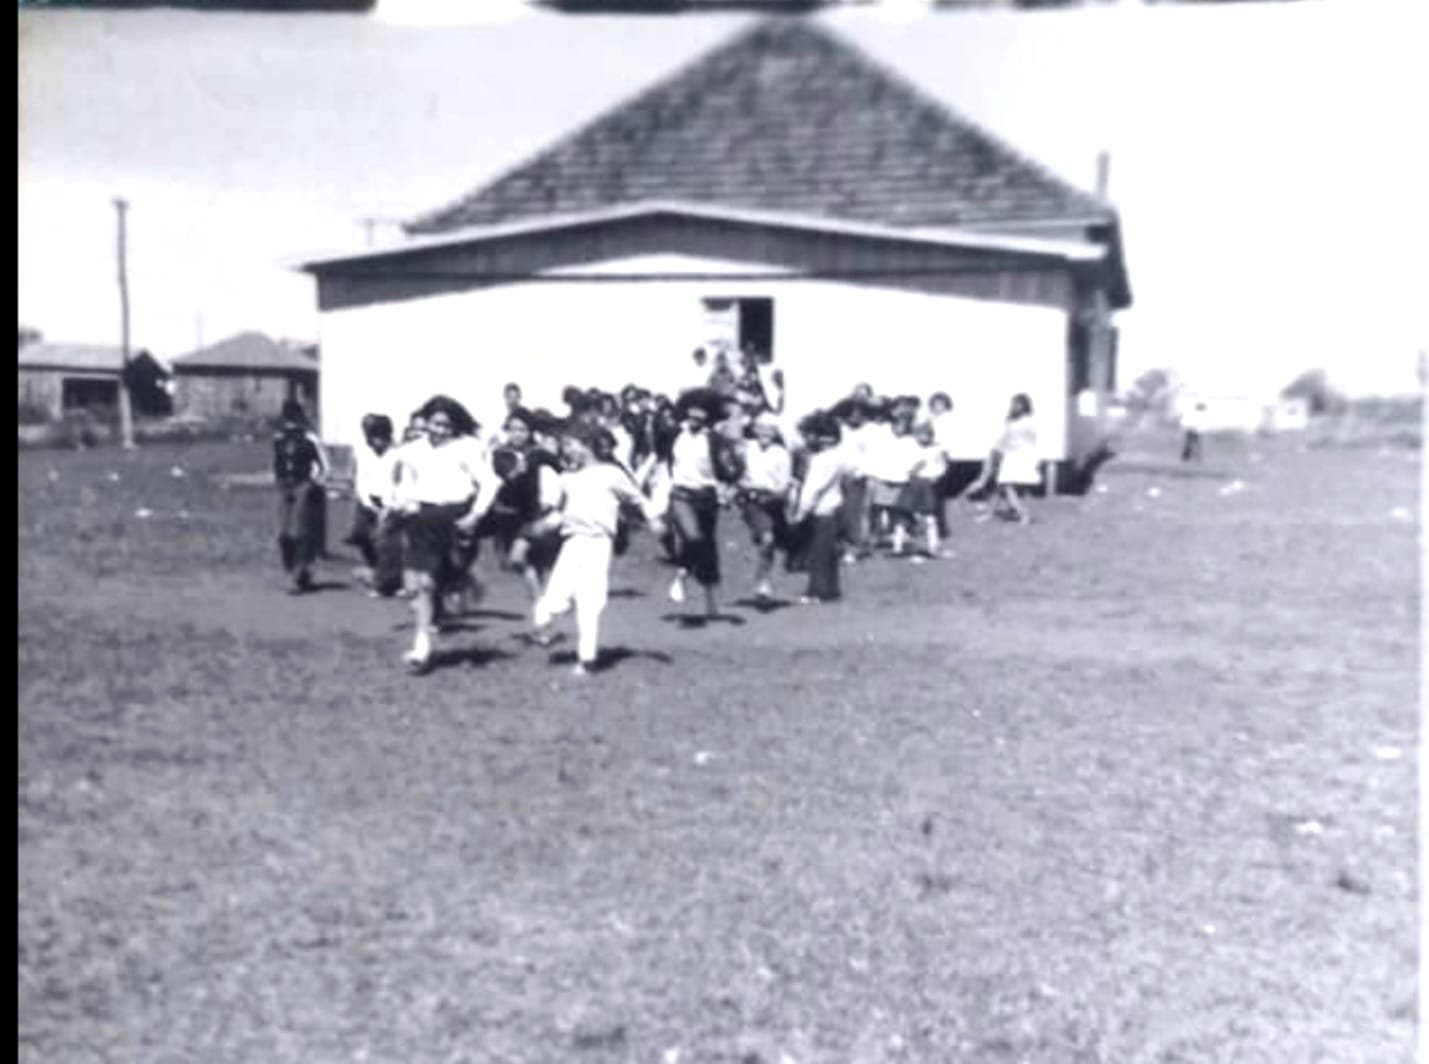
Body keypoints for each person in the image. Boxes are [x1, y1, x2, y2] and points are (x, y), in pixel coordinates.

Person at [531, 423, 661, 676]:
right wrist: (543, 526)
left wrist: (653, 519)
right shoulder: (566, 478)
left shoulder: (611, 474)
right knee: (554, 598)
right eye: (565, 446)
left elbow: (637, 498)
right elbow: (560, 513)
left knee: (590, 600)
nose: (566, 451)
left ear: (587, 445)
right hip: (571, 542)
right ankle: (547, 616)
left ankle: (586, 658)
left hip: (599, 543)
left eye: (570, 445)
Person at [393, 397, 499, 673]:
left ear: (455, 427)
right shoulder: (411, 451)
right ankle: (422, 645)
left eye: (446, 425)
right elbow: (405, 486)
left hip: (454, 517)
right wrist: (402, 504)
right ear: (425, 422)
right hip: (422, 519)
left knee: (432, 582)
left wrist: (475, 515)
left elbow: (490, 483)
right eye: (435, 423)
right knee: (418, 585)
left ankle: (424, 644)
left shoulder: (467, 449)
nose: (439, 430)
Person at [663, 387, 742, 617]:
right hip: (681, 494)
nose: (695, 421)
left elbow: (730, 468)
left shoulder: (715, 440)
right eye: (691, 416)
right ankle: (681, 575)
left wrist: (729, 485)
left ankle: (711, 602)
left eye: (701, 417)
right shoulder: (673, 435)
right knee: (693, 537)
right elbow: (663, 456)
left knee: (707, 548)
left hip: (706, 497)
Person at [789, 411, 849, 604]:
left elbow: (812, 489)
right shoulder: (839, 457)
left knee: (818, 553)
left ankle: (817, 591)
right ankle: (831, 588)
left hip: (820, 510)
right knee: (829, 552)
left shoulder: (822, 460)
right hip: (834, 507)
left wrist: (800, 512)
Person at [272, 399, 329, 593]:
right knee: (282, 532)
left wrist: (314, 483)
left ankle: (300, 570)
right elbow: (277, 462)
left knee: (299, 530)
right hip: (283, 485)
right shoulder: (279, 438)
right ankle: (292, 566)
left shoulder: (309, 439)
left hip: (302, 484)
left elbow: (324, 466)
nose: (290, 423)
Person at [736, 412, 793, 601]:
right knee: (767, 539)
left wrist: (779, 497)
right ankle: (762, 581)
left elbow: (783, 484)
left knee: (774, 543)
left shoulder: (781, 454)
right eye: (760, 428)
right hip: (751, 499)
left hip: (773, 500)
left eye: (769, 429)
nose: (764, 433)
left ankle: (766, 575)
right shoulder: (746, 448)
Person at [345, 413, 403, 597]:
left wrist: (390, 506)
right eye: (372, 438)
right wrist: (368, 502)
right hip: (368, 500)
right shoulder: (362, 452)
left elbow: (399, 482)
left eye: (379, 438)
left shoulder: (398, 454)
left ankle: (388, 582)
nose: (375, 442)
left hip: (390, 502)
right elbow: (361, 479)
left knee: (386, 542)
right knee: (362, 537)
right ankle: (376, 570)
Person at [961, 393, 1040, 524]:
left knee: (1007, 485)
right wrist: (997, 450)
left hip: (1022, 455)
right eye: (1014, 404)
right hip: (1010, 455)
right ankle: (990, 513)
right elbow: (1005, 438)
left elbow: (1029, 440)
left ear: (1025, 406)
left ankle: (1023, 513)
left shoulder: (1028, 421)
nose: (1015, 407)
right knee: (1000, 486)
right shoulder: (1010, 420)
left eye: (1018, 404)